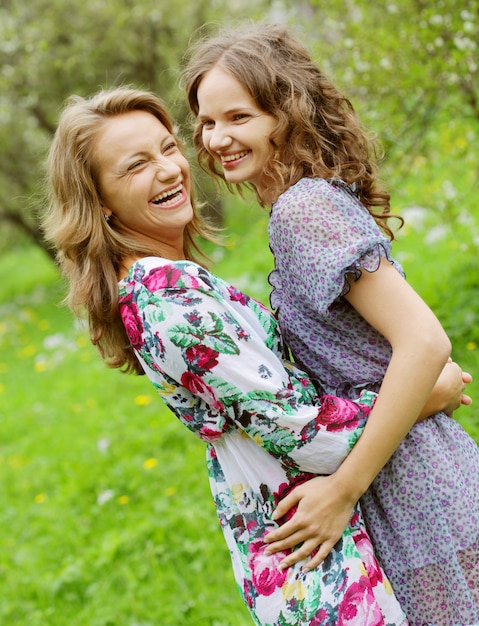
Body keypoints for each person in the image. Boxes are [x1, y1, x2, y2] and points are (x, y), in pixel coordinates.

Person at [41, 86, 413, 626]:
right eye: (137, 165)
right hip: (319, 559)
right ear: (98, 199)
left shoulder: (157, 285)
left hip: (294, 541)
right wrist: (420, 392)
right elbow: (312, 439)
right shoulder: (167, 295)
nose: (170, 170)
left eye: (169, 148)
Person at [183, 23, 479, 626]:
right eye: (208, 121)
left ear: (286, 113)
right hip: (404, 474)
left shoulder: (303, 209)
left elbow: (424, 342)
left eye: (238, 117)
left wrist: (342, 490)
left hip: (415, 488)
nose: (217, 138)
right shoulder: (298, 204)